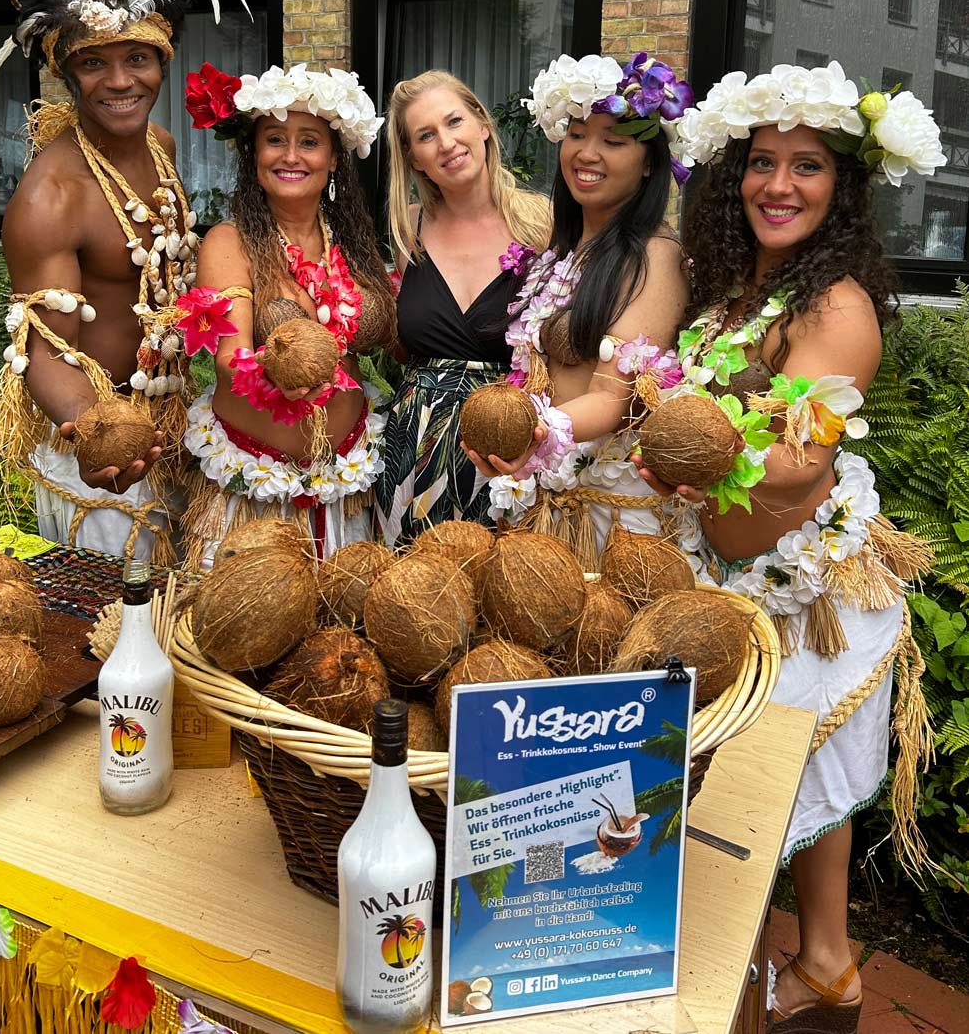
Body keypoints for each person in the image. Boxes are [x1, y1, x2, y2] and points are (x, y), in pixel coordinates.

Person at [641, 63, 946, 1032]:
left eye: (806, 165)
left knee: (780, 779)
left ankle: (811, 971)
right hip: (724, 571)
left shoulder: (834, 308)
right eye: (761, 162)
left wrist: (683, 450)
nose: (777, 184)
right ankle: (821, 966)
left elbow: (798, 465)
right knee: (769, 780)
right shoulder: (740, 292)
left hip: (803, 590)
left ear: (841, 186)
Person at [0, 0, 247, 559]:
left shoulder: (161, 145)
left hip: (176, 420)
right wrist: (95, 432)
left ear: (163, 60)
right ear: (65, 73)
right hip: (102, 446)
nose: (120, 80)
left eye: (137, 58)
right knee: (115, 612)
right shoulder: (51, 197)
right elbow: (46, 349)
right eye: (93, 63)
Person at [466, 52, 694, 568]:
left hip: (612, 523)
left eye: (613, 141)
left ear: (650, 163)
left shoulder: (655, 257)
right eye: (576, 134)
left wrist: (527, 431)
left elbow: (613, 398)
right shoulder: (561, 254)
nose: (587, 153)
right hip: (546, 497)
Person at [180, 62, 396, 566]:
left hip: (346, 483)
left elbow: (394, 343)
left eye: (309, 142)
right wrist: (272, 378)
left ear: (334, 158)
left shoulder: (352, 244)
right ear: (254, 155)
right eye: (275, 140)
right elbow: (229, 359)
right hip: (258, 486)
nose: (291, 155)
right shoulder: (230, 242)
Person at [375, 71, 551, 546]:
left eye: (454, 122)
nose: (447, 143)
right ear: (413, 157)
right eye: (426, 135)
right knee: (411, 583)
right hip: (412, 449)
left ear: (482, 124)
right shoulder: (408, 230)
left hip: (506, 451)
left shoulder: (543, 224)